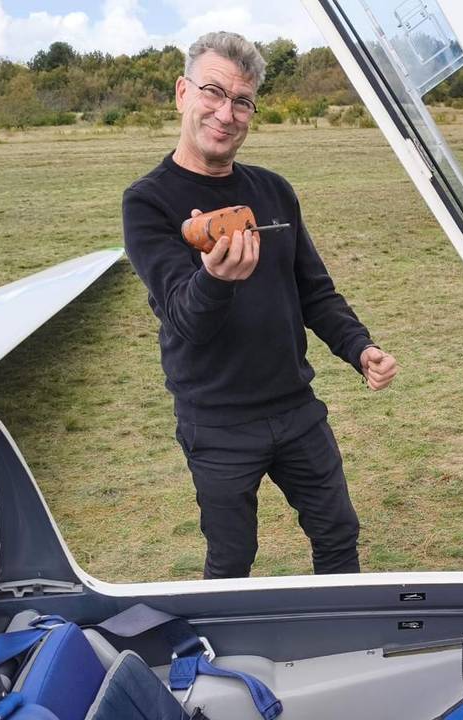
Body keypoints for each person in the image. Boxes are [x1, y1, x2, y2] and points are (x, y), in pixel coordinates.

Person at [122, 31, 398, 579]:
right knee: (231, 558)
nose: (226, 113)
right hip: (216, 421)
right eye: (213, 92)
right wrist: (216, 280)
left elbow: (314, 292)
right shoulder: (148, 202)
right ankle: (217, 662)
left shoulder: (274, 190)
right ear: (182, 93)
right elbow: (185, 318)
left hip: (295, 407)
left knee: (338, 534)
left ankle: (344, 641)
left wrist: (359, 346)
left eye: (242, 100)